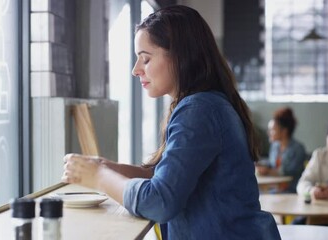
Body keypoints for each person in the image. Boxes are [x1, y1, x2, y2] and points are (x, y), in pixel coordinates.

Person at [62, 5, 280, 240]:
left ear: (180, 56)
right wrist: (105, 167)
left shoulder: (199, 109)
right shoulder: (208, 103)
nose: (136, 70)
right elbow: (167, 177)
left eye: (145, 59)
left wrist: (99, 177)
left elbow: (160, 201)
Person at [256, 107, 306, 193]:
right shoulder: (275, 146)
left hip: (291, 191)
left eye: (272, 130)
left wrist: (268, 171)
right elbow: (271, 163)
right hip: (275, 188)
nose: (269, 133)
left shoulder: (298, 149)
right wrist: (260, 165)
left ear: (284, 131)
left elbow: (287, 172)